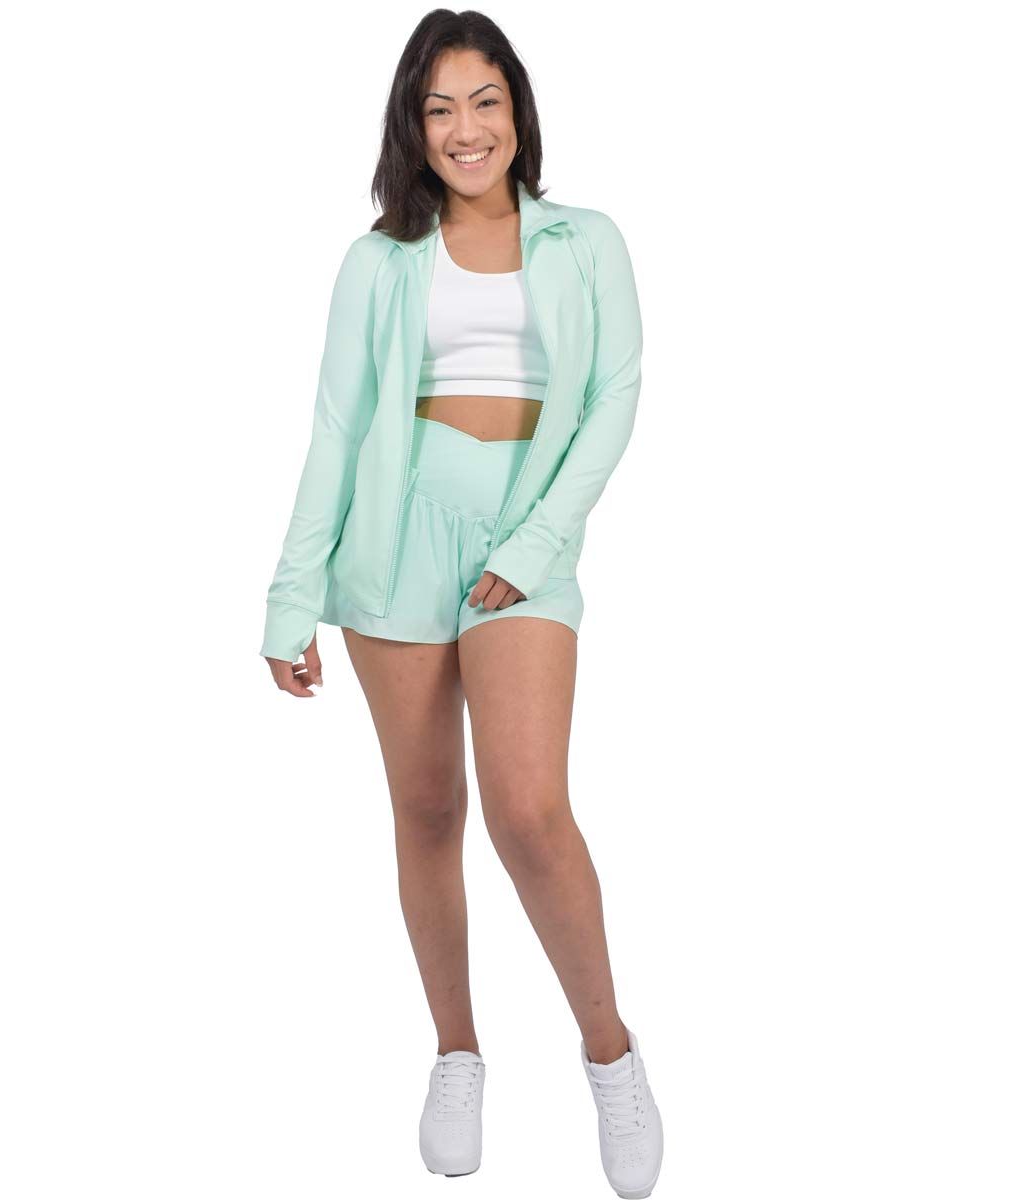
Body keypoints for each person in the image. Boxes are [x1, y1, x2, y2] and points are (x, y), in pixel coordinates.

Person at [260, 12, 661, 1197]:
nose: (465, 128)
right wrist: (291, 596)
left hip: (525, 536)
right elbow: (336, 428)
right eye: (439, 108)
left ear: (518, 112)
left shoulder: (586, 241)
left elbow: (616, 399)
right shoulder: (378, 259)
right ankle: (456, 1052)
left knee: (529, 812)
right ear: (414, 126)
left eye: (484, 101)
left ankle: (610, 1053)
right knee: (428, 808)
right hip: (394, 539)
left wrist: (535, 548)